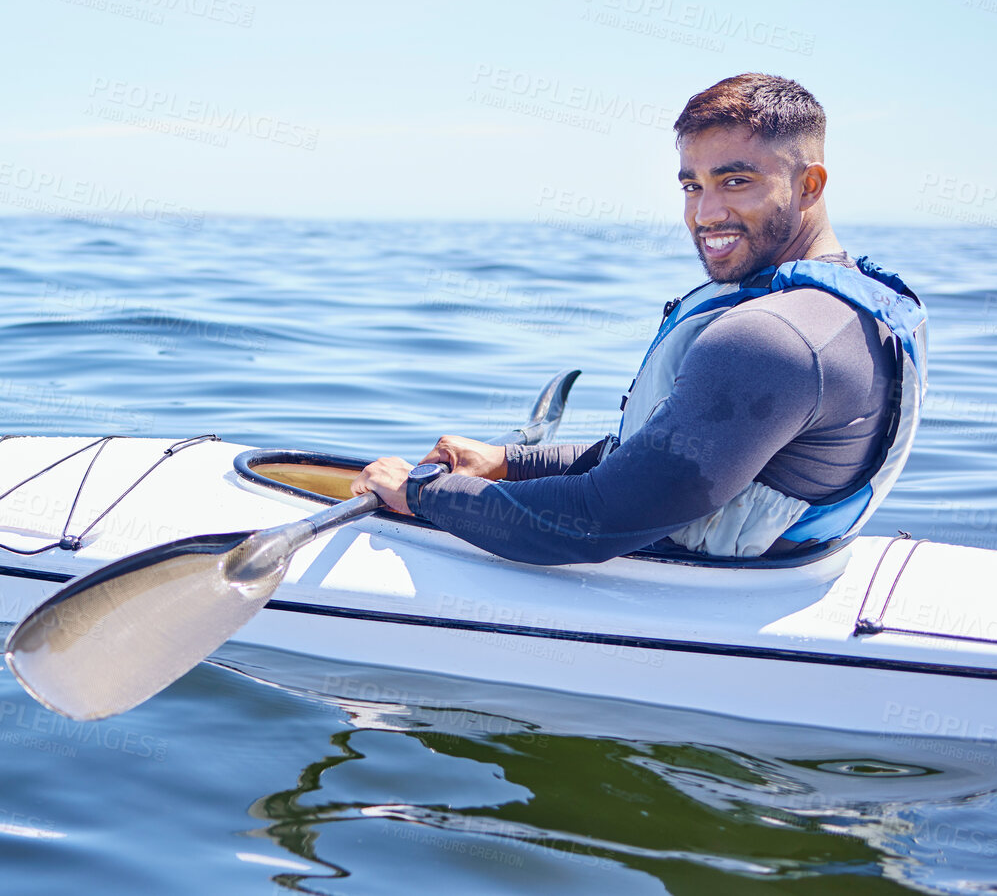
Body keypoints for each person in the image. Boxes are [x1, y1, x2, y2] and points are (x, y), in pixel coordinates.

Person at [353, 73, 927, 564]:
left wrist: (427, 495)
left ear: (810, 184)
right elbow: (663, 464)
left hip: (693, 614)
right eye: (691, 185)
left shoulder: (771, 338)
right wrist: (508, 462)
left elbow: (602, 518)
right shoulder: (844, 309)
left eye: (736, 181)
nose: (706, 213)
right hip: (791, 572)